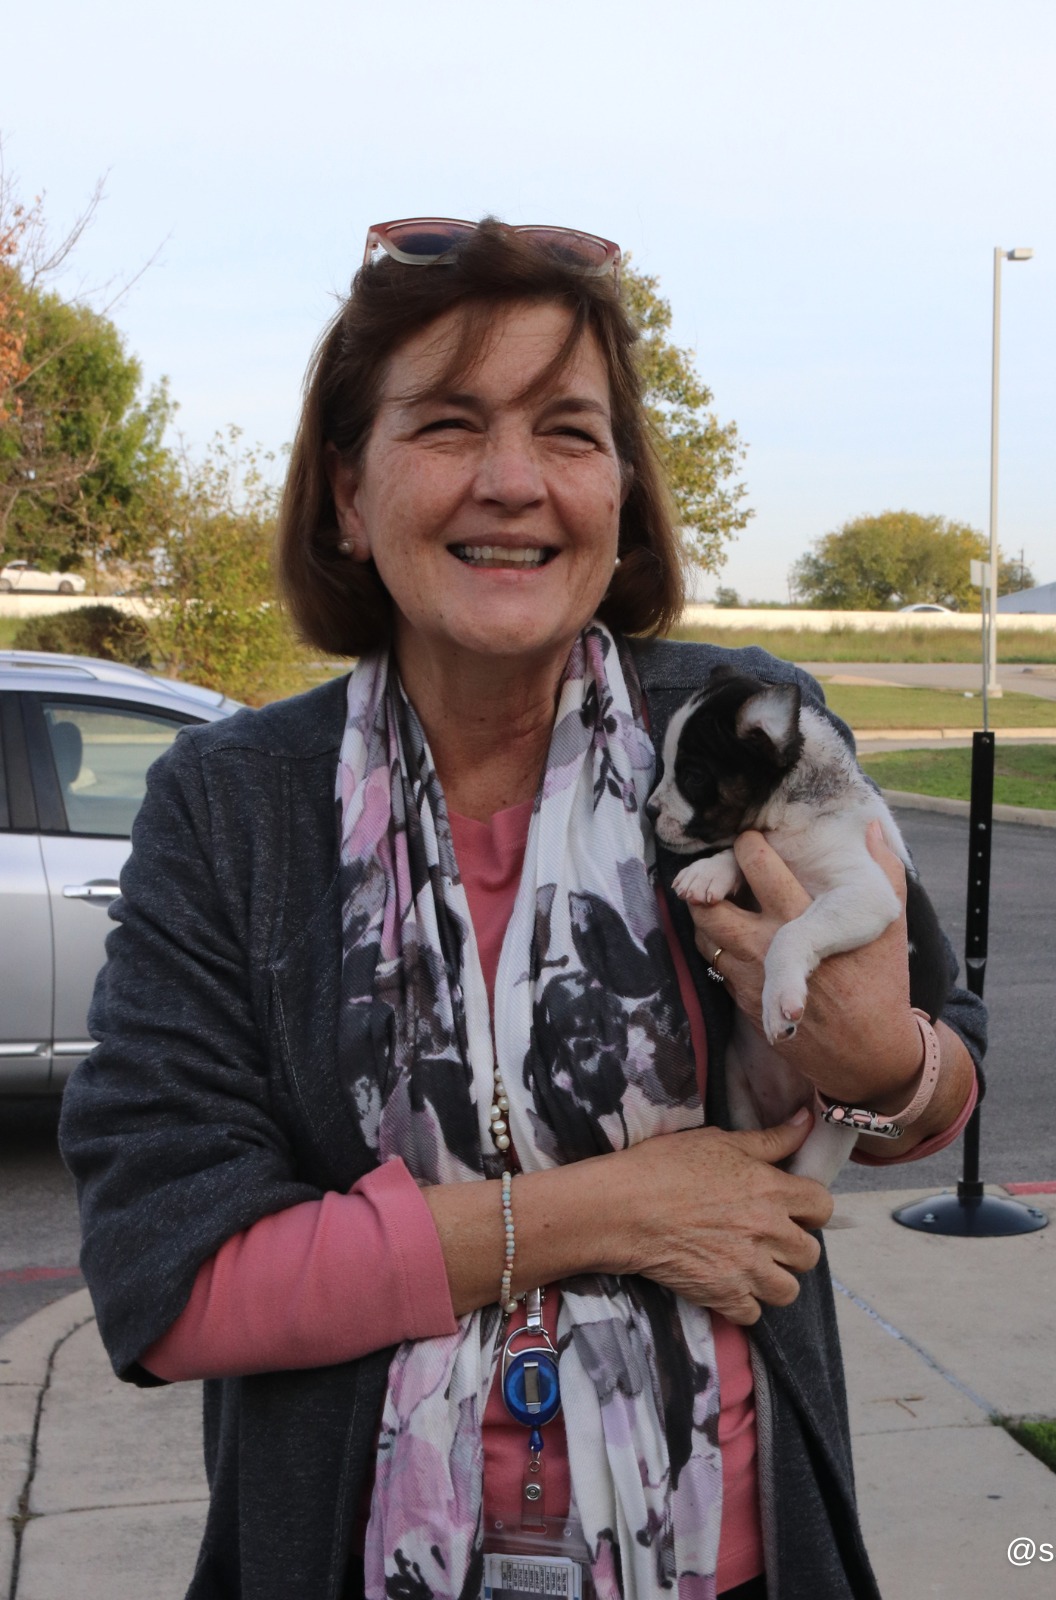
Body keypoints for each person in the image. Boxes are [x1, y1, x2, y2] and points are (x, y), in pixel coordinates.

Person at [60, 218, 986, 1600]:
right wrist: (604, 1211)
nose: (513, 482)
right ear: (347, 498)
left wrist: (892, 1067)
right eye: (446, 425)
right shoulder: (231, 807)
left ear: (620, 493)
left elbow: (943, 1067)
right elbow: (169, 1280)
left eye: (568, 430)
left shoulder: (732, 728)